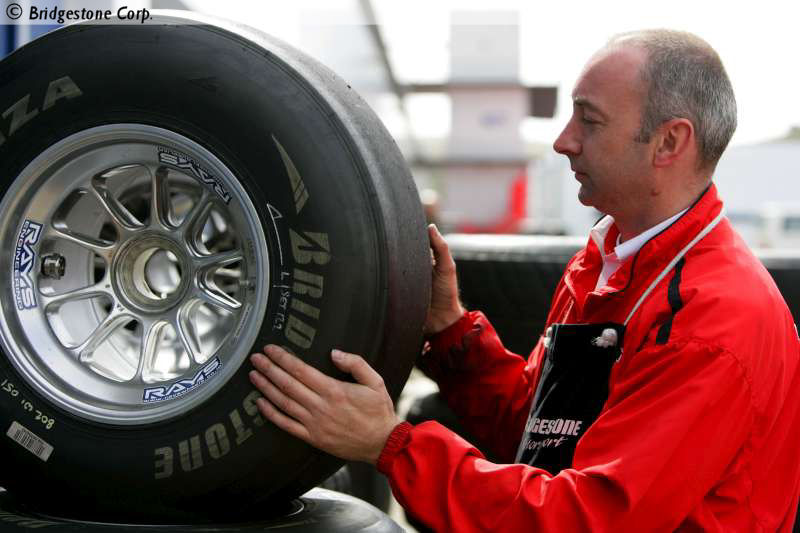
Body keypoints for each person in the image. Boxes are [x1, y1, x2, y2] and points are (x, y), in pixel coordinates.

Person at [247, 29, 800, 531]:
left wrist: (391, 446)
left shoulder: (711, 319)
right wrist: (449, 330)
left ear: (669, 143)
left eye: (589, 121)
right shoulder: (607, 261)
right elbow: (541, 432)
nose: (563, 141)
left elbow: (589, 520)